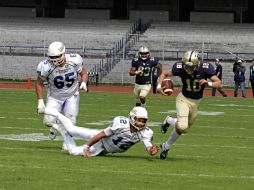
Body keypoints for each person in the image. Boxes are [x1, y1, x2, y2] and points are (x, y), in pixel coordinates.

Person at [156, 50, 222, 160]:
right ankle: (167, 147)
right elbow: (164, 74)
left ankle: (168, 124)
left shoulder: (205, 67)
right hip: (183, 99)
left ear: (197, 64)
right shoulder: (180, 66)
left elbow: (219, 83)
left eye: (191, 66)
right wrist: (159, 86)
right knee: (182, 126)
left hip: (196, 102)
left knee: (184, 129)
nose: (188, 68)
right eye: (186, 66)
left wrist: (208, 83)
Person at [43, 106, 160, 157]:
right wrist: (87, 146)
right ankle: (54, 113)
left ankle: (61, 129)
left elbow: (148, 145)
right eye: (139, 120)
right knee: (71, 130)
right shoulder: (121, 123)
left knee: (72, 152)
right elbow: (103, 134)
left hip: (103, 149)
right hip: (99, 138)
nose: (141, 123)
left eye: (144, 121)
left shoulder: (146, 132)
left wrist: (151, 150)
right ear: (132, 118)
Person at [36, 41, 88, 142]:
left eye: (57, 56)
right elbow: (39, 83)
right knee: (47, 121)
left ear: (63, 53)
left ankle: (67, 143)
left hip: (72, 95)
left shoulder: (74, 59)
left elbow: (84, 73)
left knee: (71, 120)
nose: (55, 59)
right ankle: (57, 125)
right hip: (54, 96)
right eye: (52, 57)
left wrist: (84, 83)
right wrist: (40, 101)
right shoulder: (45, 66)